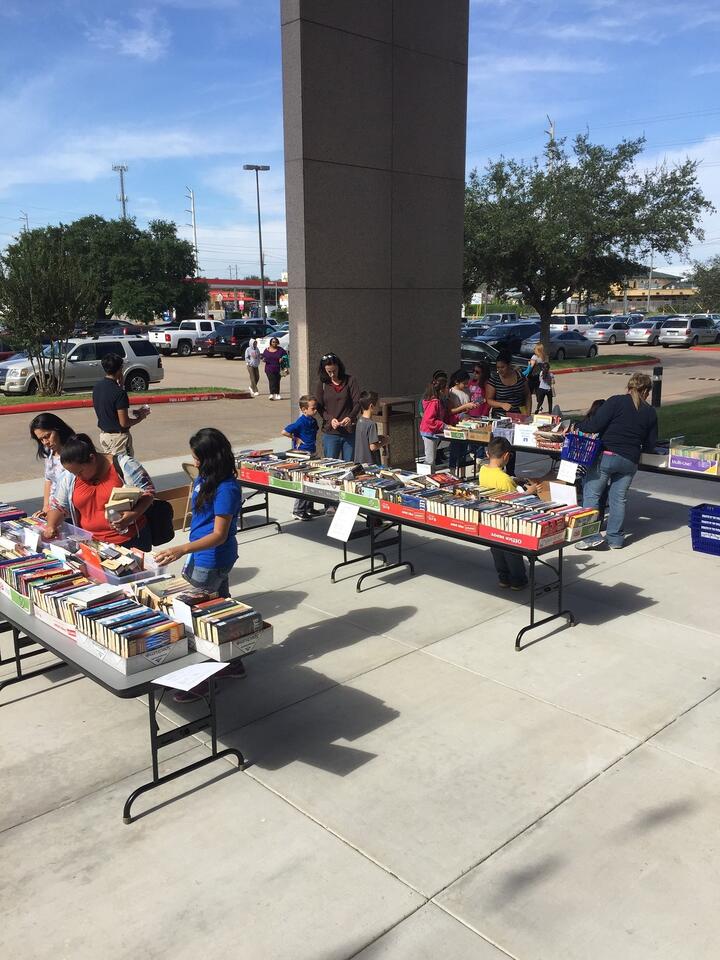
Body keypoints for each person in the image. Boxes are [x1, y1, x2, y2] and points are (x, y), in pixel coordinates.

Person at [154, 428, 245, 699]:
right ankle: (232, 663)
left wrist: (182, 548)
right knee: (218, 613)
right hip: (201, 555)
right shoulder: (207, 478)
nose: (193, 462)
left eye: (197, 458)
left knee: (195, 620)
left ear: (210, 458)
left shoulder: (227, 488)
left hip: (211, 558)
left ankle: (201, 680)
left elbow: (218, 535)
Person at [575, 373, 658, 551]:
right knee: (618, 500)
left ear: (629, 387)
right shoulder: (650, 412)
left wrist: (577, 425)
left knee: (591, 496)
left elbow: (595, 425)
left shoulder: (616, 401)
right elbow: (651, 444)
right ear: (647, 392)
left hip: (606, 456)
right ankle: (616, 539)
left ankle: (590, 537)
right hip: (630, 461)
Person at [44, 434, 155, 551]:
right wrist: (51, 525)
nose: (78, 476)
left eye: (80, 472)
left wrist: (133, 515)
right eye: (74, 473)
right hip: (92, 543)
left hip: (130, 541)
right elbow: (58, 506)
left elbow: (148, 492)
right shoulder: (69, 477)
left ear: (92, 458)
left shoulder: (124, 465)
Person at [479, 437, 531, 590]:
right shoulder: (504, 479)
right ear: (507, 456)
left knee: (496, 549)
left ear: (488, 454)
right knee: (512, 550)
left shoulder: (483, 470)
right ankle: (518, 580)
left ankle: (503, 578)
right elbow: (516, 500)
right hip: (506, 518)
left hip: (490, 515)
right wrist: (530, 491)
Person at [92, 353, 149, 456]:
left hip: (104, 436)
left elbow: (108, 409)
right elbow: (124, 423)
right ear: (119, 369)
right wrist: (140, 417)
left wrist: (120, 385)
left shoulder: (97, 387)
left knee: (112, 469)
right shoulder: (119, 393)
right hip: (119, 440)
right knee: (124, 469)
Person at [313, 352, 361, 461]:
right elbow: (319, 407)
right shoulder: (323, 383)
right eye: (329, 371)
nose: (332, 374)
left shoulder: (350, 380)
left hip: (349, 431)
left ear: (339, 367)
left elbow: (357, 402)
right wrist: (330, 419)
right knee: (330, 465)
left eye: (334, 371)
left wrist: (350, 417)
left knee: (348, 465)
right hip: (330, 432)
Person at [29, 412, 75, 518]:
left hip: (68, 511)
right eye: (41, 439)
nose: (45, 442)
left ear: (58, 429)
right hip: (52, 510)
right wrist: (46, 507)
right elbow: (48, 480)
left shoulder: (73, 451)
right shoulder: (48, 452)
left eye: (48, 436)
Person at [282, 395, 321, 520]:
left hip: (311, 453)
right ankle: (298, 510)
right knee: (303, 481)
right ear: (304, 409)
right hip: (301, 455)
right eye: (313, 408)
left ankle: (308, 507)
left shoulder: (313, 421)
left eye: (316, 408)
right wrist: (295, 438)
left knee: (310, 480)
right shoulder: (300, 421)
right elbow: (284, 431)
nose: (315, 410)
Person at [419, 373, 450, 471]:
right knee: (430, 459)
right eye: (446, 388)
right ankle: (425, 477)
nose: (448, 390)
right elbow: (429, 419)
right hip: (429, 432)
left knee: (431, 458)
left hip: (431, 431)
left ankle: (429, 476)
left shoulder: (435, 400)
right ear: (442, 389)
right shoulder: (434, 402)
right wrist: (443, 425)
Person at [447, 369, 475, 473]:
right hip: (455, 425)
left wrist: (470, 406)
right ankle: (452, 473)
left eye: (467, 383)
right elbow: (451, 411)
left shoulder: (467, 391)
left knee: (464, 450)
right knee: (454, 450)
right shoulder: (451, 392)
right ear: (456, 382)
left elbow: (466, 406)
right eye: (464, 383)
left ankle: (462, 474)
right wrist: (465, 406)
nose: (466, 385)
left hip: (466, 423)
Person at [486, 350, 531, 416]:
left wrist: (528, 413)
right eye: (498, 367)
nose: (500, 370)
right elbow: (489, 400)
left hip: (519, 415)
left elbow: (527, 395)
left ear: (509, 365)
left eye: (502, 367)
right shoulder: (494, 379)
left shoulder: (520, 376)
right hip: (500, 415)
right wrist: (501, 404)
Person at [354, 391, 387, 466]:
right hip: (370, 463)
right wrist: (385, 441)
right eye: (378, 404)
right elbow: (373, 447)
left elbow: (365, 439)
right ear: (371, 406)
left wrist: (378, 437)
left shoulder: (360, 420)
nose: (379, 407)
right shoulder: (371, 424)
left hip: (359, 461)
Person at [527, 343, 554, 412]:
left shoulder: (534, 357)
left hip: (533, 378)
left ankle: (528, 410)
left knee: (528, 394)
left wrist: (528, 364)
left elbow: (531, 367)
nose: (534, 349)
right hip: (541, 378)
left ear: (537, 350)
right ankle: (540, 408)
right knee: (539, 395)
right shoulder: (545, 357)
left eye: (535, 348)